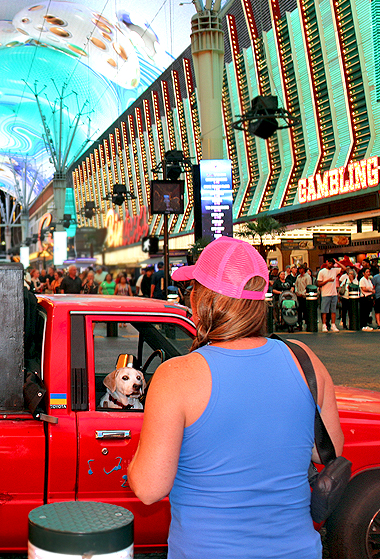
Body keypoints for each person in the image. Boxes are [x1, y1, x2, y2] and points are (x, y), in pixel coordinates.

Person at [127, 237, 342, 559]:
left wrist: (135, 462)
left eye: (193, 289)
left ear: (202, 299)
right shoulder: (304, 358)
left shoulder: (177, 375)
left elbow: (149, 488)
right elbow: (328, 448)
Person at [317, 258, 348, 332]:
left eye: (332, 264)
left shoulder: (334, 270)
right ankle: (324, 325)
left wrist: (337, 262)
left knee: (333, 310)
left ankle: (333, 324)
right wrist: (328, 280)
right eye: (330, 263)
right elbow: (319, 283)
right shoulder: (322, 272)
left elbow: (345, 269)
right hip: (325, 294)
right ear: (327, 262)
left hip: (334, 293)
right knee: (324, 310)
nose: (331, 265)